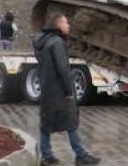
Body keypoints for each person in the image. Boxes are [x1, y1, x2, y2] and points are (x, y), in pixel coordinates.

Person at [33, 13, 100, 165]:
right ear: (58, 25)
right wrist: (69, 90)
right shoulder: (57, 42)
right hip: (59, 90)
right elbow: (62, 67)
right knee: (71, 121)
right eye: (65, 23)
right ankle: (80, 155)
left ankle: (46, 156)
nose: (68, 25)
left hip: (47, 88)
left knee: (46, 122)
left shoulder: (43, 41)